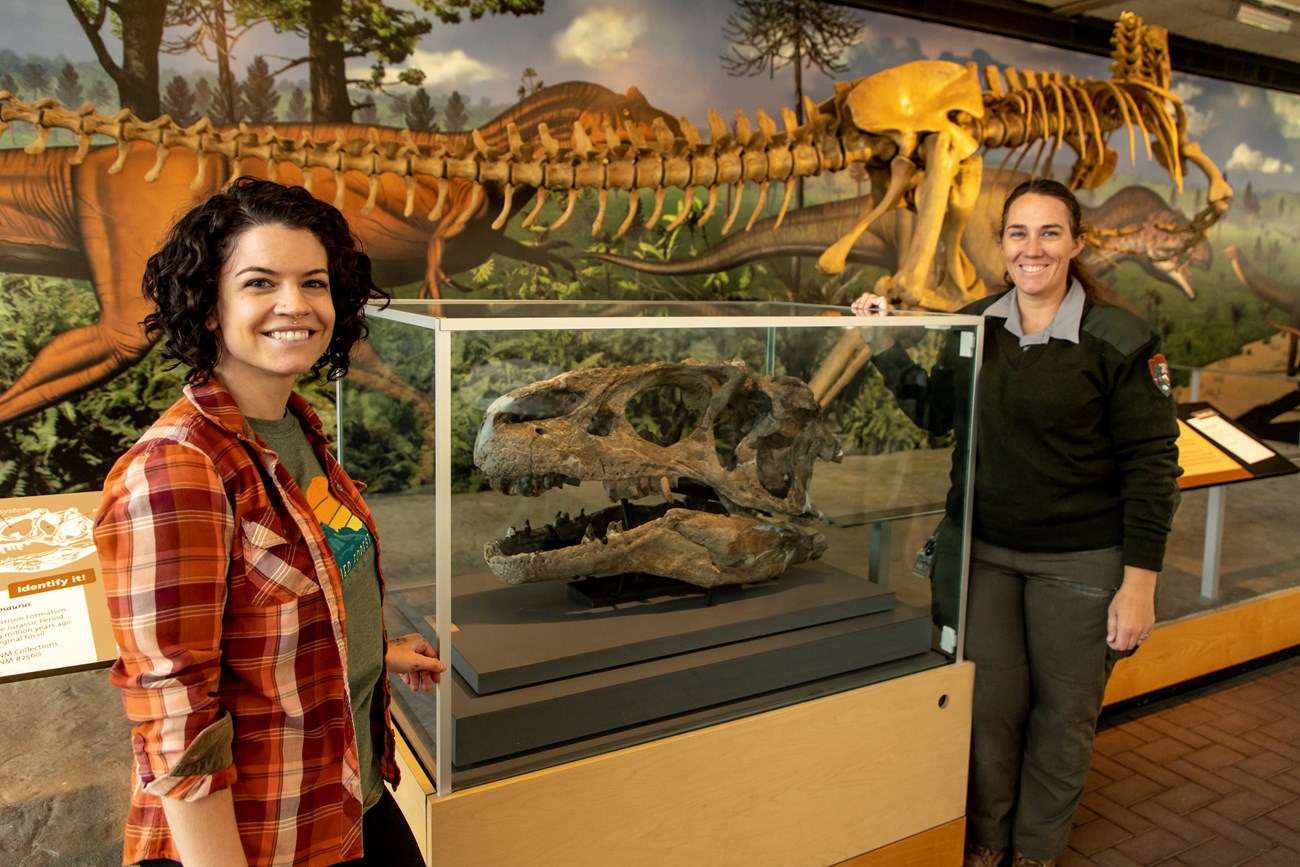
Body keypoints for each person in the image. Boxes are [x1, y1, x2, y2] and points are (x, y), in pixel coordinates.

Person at [93, 177, 447, 867]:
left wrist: (373, 650)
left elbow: (298, 581)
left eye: (314, 282)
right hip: (264, 835)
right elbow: (176, 725)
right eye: (260, 282)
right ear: (207, 305)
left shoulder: (295, 429)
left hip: (348, 796)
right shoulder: (177, 471)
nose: (296, 304)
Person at [852, 178, 1181, 867]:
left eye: (1050, 232)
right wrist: (882, 344)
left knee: (1063, 718)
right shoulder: (978, 326)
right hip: (985, 557)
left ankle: (1035, 850)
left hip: (1083, 562)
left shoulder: (1120, 339)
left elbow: (1152, 464)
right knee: (989, 710)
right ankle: (987, 841)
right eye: (1018, 234)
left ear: (1076, 244)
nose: (1033, 248)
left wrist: (1139, 581)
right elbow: (941, 413)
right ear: (1002, 249)